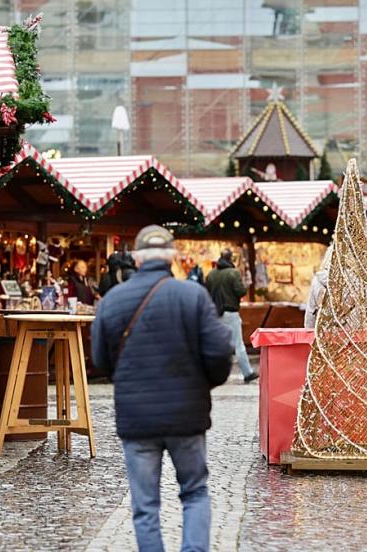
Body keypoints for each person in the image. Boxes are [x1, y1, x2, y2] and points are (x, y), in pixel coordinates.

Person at [91, 225, 233, 552]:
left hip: (136, 418)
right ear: (172, 258)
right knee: (195, 492)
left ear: (136, 260)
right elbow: (219, 354)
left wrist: (127, 380)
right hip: (187, 415)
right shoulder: (193, 296)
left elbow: (100, 358)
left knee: (145, 505)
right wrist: (202, 385)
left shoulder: (112, 301)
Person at [206, 248, 259, 383]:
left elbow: (206, 291)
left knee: (216, 343)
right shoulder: (233, 273)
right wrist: (245, 286)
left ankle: (211, 372)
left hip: (215, 313)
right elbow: (240, 291)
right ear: (231, 259)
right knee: (238, 344)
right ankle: (247, 373)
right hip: (230, 312)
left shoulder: (211, 274)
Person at [304, 246, 333, 329]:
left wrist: (309, 333)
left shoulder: (317, 280)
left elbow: (310, 311)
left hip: (322, 330)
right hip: (345, 334)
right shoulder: (352, 282)